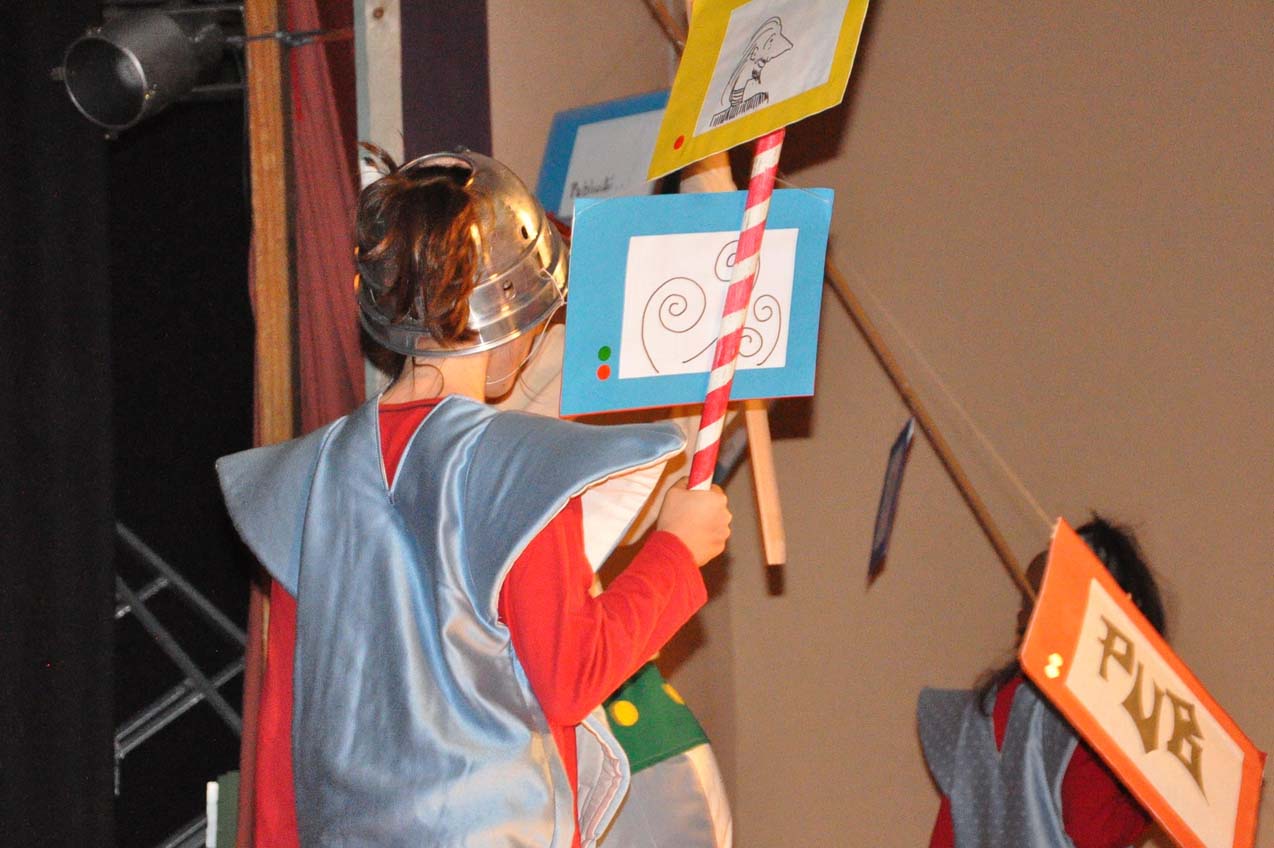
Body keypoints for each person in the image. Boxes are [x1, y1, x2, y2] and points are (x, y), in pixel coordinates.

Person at [218, 148, 731, 847]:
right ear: (517, 313)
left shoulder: (311, 477)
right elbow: (570, 674)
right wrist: (675, 552)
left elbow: (288, 733)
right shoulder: (521, 468)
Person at [918, 515, 1165, 848]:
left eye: (1030, 600)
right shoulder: (1086, 715)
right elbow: (1094, 832)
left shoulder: (985, 712)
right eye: (1026, 599)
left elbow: (949, 833)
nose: (1020, 614)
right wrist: (1148, 802)